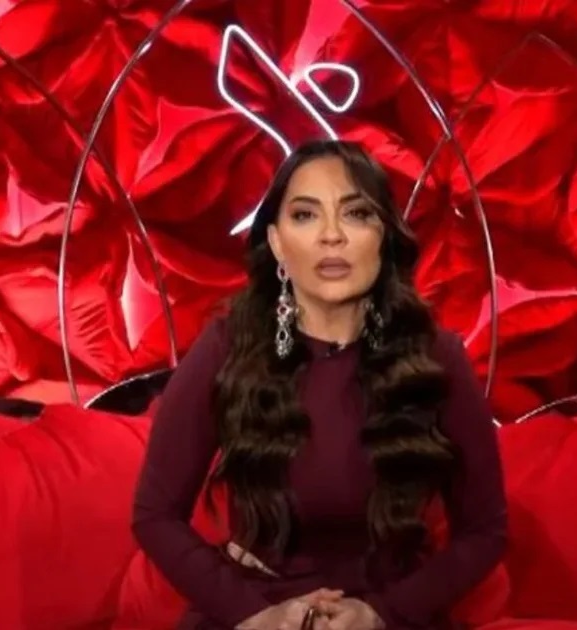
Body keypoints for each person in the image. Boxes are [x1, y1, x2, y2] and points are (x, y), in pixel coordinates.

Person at [131, 140, 507, 630]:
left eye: (356, 213)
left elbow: (485, 531)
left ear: (384, 236)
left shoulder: (435, 358)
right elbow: (155, 515)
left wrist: (382, 613)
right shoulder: (228, 348)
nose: (332, 235)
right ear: (277, 242)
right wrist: (256, 615)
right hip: (257, 612)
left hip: (390, 614)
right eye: (306, 215)